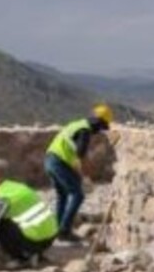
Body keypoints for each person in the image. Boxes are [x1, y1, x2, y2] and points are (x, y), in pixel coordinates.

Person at [45, 104, 113, 243]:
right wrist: (85, 178)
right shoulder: (84, 131)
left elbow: (73, 155)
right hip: (59, 162)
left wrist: (78, 175)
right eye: (101, 127)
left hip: (50, 160)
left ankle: (58, 229)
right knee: (78, 195)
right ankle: (64, 231)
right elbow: (80, 156)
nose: (99, 131)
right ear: (98, 123)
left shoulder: (77, 124)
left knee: (62, 195)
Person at [0, 169, 58, 268]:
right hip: (51, 237)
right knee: (14, 220)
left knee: (0, 225)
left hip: (35, 241)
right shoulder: (14, 185)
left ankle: (24, 259)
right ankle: (36, 253)